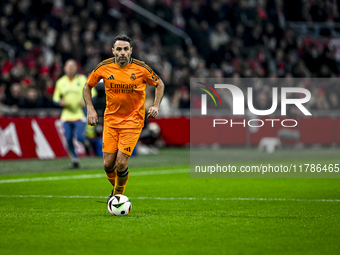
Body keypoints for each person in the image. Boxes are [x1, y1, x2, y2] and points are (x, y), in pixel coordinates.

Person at [83, 34, 164, 201]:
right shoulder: (104, 67)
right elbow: (87, 86)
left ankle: (118, 196)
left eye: (125, 49)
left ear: (131, 51)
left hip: (133, 121)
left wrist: (156, 105)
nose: (122, 52)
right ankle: (118, 189)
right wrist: (90, 109)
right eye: (119, 49)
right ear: (113, 51)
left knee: (120, 163)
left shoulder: (141, 68)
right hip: (111, 121)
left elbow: (159, 84)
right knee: (107, 165)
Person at [53, 59, 87, 168]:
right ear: (64, 68)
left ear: (76, 68)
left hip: (79, 114)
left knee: (80, 137)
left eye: (73, 66)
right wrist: (59, 102)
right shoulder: (60, 82)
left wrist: (86, 100)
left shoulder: (82, 80)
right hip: (66, 115)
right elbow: (55, 98)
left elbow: (92, 93)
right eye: (68, 66)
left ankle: (86, 144)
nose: (70, 68)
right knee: (68, 139)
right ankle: (75, 159)